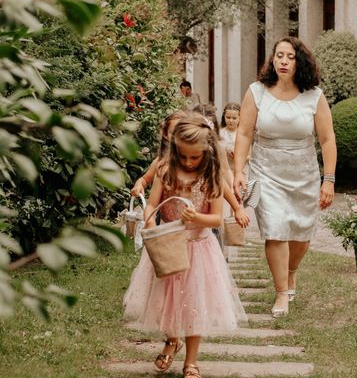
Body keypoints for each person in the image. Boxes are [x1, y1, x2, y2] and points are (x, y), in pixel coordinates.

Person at [123, 115, 247, 378]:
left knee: (194, 306)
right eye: (184, 156)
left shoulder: (210, 178)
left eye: (195, 157)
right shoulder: (165, 170)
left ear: (206, 154)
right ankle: (171, 339)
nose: (190, 162)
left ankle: (191, 362)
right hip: (169, 244)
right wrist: (150, 219)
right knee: (168, 301)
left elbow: (216, 219)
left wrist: (197, 219)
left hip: (199, 249)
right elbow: (152, 202)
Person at [232, 36, 337, 318]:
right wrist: (239, 170)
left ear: (299, 61)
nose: (283, 61)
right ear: (272, 59)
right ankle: (281, 293)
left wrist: (329, 179)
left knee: (302, 233)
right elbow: (243, 133)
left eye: (290, 56)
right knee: (276, 229)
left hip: (303, 171)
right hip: (267, 169)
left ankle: (291, 272)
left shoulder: (314, 95)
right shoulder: (257, 92)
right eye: (279, 55)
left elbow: (327, 139)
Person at [132, 111, 249, 229]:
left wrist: (237, 208)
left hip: (201, 233)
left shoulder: (208, 171)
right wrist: (139, 186)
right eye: (176, 132)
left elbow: (221, 187)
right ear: (166, 134)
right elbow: (148, 188)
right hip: (169, 234)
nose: (188, 162)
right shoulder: (163, 166)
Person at [219, 102, 241, 172]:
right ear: (224, 116)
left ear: (240, 118)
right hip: (223, 170)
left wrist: (237, 155)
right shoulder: (220, 133)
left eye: (234, 118)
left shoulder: (242, 134)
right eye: (228, 117)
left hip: (240, 170)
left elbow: (249, 156)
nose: (230, 121)